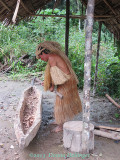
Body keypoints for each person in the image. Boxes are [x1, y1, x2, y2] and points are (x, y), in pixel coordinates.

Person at [35, 41, 82, 132]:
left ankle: (61, 125)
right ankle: (59, 121)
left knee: (60, 103)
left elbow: (55, 76)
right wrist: (46, 83)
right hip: (67, 80)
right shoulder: (54, 56)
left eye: (40, 56)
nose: (40, 59)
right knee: (62, 102)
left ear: (44, 53)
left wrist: (51, 86)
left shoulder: (52, 58)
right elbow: (56, 75)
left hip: (66, 82)